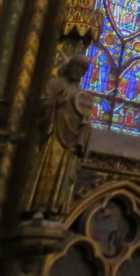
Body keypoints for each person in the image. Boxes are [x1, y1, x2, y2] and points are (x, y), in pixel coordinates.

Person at [25, 53, 94, 219]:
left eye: (83, 70)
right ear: (69, 66)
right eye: (77, 67)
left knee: (64, 173)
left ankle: (56, 207)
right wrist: (56, 102)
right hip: (54, 134)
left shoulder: (80, 92)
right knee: (48, 166)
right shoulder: (55, 84)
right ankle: (38, 208)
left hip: (70, 140)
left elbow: (83, 114)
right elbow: (42, 103)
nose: (79, 72)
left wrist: (85, 125)